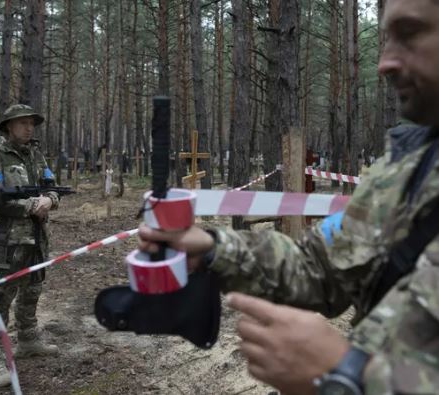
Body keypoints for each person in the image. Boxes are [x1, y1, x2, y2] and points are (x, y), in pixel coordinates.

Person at [139, 0, 439, 393]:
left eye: (409, 33)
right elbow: (319, 268)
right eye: (386, 39)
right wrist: (214, 249)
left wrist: (350, 377)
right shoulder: (406, 167)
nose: (385, 63)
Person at [0, 104, 60, 384]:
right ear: (8, 127)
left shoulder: (36, 156)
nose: (29, 128)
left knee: (33, 289)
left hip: (36, 238)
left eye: (31, 123)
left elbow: (52, 186)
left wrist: (49, 199)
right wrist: (29, 206)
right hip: (6, 241)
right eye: (22, 123)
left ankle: (27, 339)